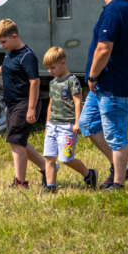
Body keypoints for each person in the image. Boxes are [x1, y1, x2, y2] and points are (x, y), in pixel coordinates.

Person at [79, 0, 128, 190]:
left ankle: (118, 183)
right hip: (104, 86)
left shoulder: (114, 11)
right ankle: (120, 167)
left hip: (113, 83)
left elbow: (104, 48)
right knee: (87, 123)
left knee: (116, 135)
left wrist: (93, 75)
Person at [0, 19, 45, 189]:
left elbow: (35, 82)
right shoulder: (10, 53)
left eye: (3, 42)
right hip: (11, 103)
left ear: (14, 36)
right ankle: (46, 167)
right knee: (19, 140)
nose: (1, 46)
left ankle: (20, 182)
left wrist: (31, 108)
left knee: (16, 141)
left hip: (23, 103)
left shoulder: (27, 56)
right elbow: (5, 68)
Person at [41, 46, 97, 192]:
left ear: (63, 62)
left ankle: (88, 174)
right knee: (49, 157)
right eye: (48, 68)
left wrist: (77, 122)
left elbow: (78, 101)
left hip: (67, 126)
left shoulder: (72, 81)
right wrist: (47, 125)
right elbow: (50, 105)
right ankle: (51, 186)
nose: (50, 71)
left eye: (52, 67)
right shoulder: (53, 83)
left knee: (66, 158)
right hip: (53, 125)